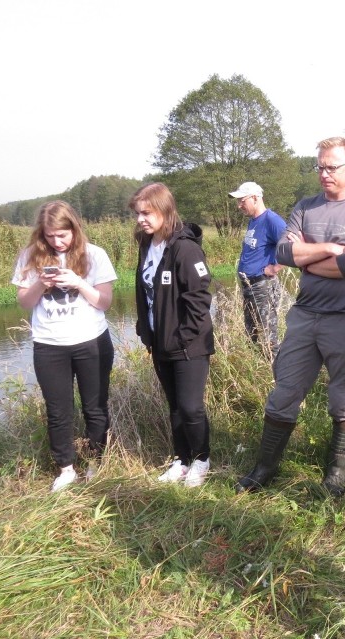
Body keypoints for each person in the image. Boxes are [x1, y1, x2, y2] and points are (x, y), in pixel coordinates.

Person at [236, 137, 345, 497]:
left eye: (332, 167)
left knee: (344, 399)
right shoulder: (305, 206)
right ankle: (264, 467)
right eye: (320, 166)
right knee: (284, 392)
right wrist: (331, 249)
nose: (324, 173)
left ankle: (336, 475)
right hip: (304, 315)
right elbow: (284, 253)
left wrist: (309, 257)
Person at [11, 200, 116, 492]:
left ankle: (95, 461)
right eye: (49, 235)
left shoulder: (95, 255)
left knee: (95, 406)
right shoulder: (29, 257)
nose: (56, 241)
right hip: (49, 344)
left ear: (74, 229)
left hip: (92, 341)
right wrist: (40, 284)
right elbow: (24, 303)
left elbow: (105, 302)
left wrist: (79, 283)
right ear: (41, 233)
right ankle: (66, 468)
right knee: (58, 410)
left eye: (62, 235)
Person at [130, 183, 214, 488]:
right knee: (175, 406)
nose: (140, 218)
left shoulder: (185, 246)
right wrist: (146, 332)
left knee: (191, 407)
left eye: (147, 212)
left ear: (165, 210)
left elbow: (200, 297)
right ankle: (181, 459)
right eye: (137, 213)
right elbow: (145, 291)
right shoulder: (147, 245)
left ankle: (202, 459)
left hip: (189, 344)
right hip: (160, 342)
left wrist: (183, 337)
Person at [228, 181, 286, 360]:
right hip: (248, 286)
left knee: (268, 336)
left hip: (263, 285)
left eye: (242, 200)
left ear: (255, 198)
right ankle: (256, 372)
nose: (239, 205)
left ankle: (278, 376)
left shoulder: (272, 220)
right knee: (251, 333)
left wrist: (275, 267)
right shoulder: (254, 221)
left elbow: (292, 246)